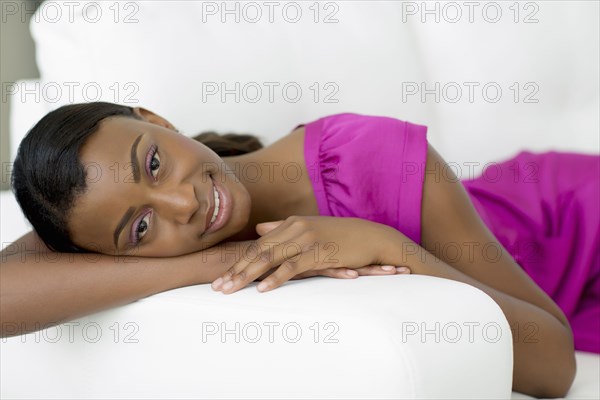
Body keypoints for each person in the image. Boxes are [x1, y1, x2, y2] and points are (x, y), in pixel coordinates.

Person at [2, 102, 598, 397]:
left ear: (154, 118)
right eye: (140, 228)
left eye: (155, 162)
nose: (183, 205)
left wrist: (387, 246)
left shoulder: (368, 153)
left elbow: (555, 367)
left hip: (569, 214)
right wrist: (212, 262)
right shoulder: (172, 237)